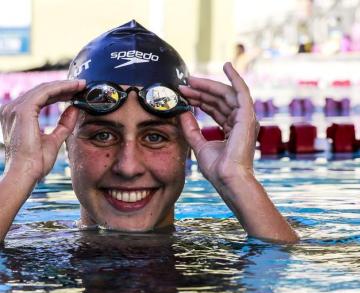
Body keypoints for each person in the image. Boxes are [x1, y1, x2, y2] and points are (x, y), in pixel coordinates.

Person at [0, 20, 298, 243]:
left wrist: (238, 178)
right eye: (102, 136)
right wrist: (20, 171)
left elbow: (285, 287)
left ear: (187, 148)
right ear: (67, 144)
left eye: (155, 137)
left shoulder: (229, 237)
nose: (128, 167)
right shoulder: (30, 240)